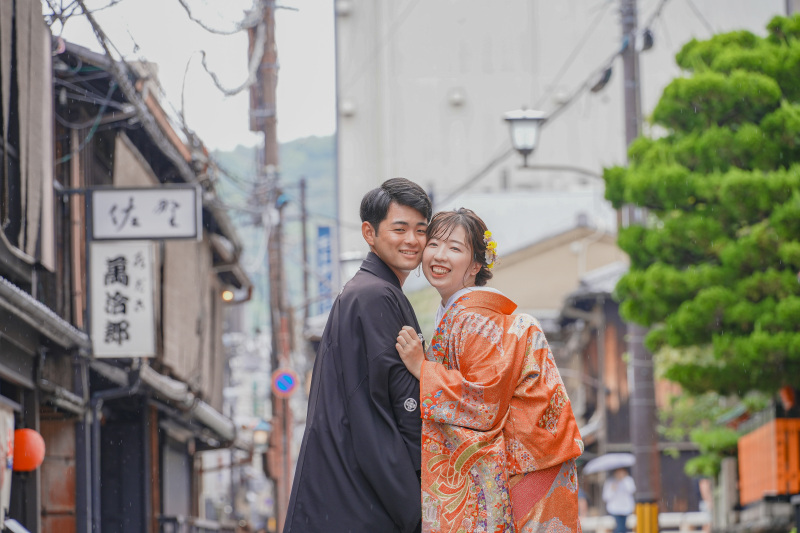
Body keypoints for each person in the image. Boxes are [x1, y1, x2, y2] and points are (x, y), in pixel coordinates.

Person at [396, 208, 584, 533]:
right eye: (434, 244)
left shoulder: (474, 318)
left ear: (475, 265)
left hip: (527, 466)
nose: (440, 255)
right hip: (529, 458)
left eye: (454, 248)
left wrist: (422, 369)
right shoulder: (460, 311)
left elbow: (483, 404)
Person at [283, 178, 432, 533]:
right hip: (362, 504)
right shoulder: (375, 296)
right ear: (369, 232)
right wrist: (418, 504)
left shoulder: (366, 291)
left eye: (420, 230)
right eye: (400, 228)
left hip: (340, 499)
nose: (412, 240)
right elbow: (392, 407)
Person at [602, 468, 636, 533]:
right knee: (619, 528)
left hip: (627, 508)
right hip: (615, 509)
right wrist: (612, 489)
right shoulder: (610, 481)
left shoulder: (628, 480)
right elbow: (606, 497)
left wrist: (623, 479)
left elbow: (632, 490)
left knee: (626, 528)